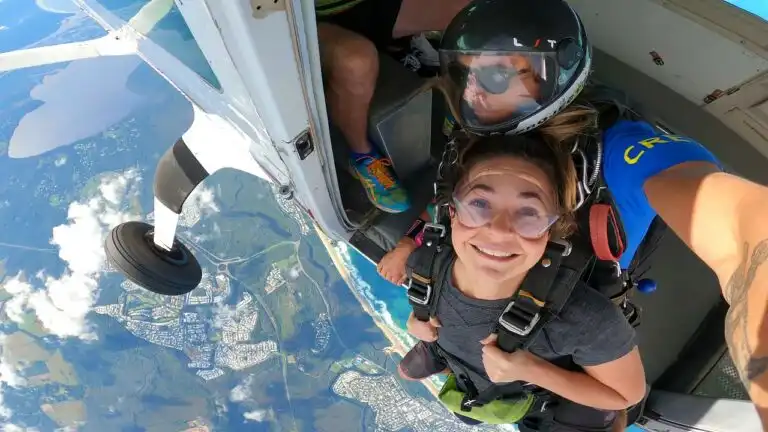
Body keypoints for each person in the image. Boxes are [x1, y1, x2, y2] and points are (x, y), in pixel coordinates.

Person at [381, 0, 768, 427]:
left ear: (553, 72)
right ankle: (453, 357)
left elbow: (743, 230)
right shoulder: (480, 127)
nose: (474, 91)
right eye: (463, 73)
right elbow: (450, 200)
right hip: (475, 298)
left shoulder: (620, 148)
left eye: (496, 73)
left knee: (597, 412)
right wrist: (408, 244)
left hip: (572, 306)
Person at [394, 134, 646, 430]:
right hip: (468, 364)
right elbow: (430, 291)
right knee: (465, 405)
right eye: (479, 203)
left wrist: (532, 370)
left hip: (547, 395)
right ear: (452, 212)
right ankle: (439, 355)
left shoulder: (585, 318)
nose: (499, 231)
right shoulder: (424, 267)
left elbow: (624, 394)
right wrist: (420, 318)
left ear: (549, 231)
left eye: (528, 213)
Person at [315, 0, 469, 213]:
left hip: (360, 4)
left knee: (473, 12)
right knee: (356, 60)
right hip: (305, 17)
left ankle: (458, 98)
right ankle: (362, 154)